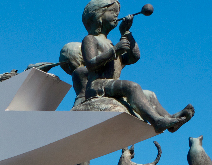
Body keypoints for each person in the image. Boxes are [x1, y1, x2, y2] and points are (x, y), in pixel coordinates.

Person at [78, 0, 192, 134]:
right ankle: (156, 121)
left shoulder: (110, 43)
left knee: (149, 95)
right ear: (98, 16)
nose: (116, 16)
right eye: (112, 12)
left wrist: (126, 33)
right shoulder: (90, 39)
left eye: (117, 13)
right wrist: (114, 51)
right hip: (97, 86)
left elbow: (134, 57)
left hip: (110, 85)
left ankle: (169, 119)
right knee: (132, 87)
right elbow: (90, 63)